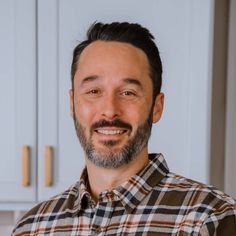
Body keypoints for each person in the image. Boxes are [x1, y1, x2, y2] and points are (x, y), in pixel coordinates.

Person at [12, 22, 236, 235]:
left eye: (128, 93)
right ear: (72, 103)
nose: (109, 110)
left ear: (156, 107)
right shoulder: (32, 227)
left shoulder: (210, 218)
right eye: (93, 91)